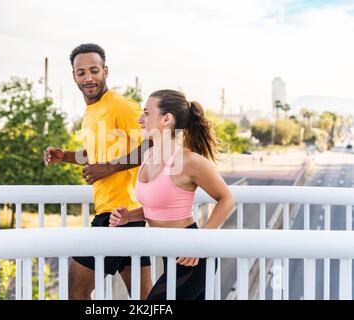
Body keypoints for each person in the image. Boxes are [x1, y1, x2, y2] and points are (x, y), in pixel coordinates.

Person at [43, 43, 152, 299]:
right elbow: (98, 156)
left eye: (94, 70)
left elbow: (153, 143)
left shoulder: (122, 106)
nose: (88, 78)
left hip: (119, 212)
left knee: (76, 288)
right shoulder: (90, 113)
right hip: (123, 216)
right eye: (81, 73)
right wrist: (66, 156)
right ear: (74, 76)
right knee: (144, 297)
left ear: (105, 70)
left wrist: (110, 167)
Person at [109, 89, 234, 300]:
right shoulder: (148, 155)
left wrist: (200, 243)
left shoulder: (189, 161)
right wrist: (129, 216)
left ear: (166, 119)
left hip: (192, 258)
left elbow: (227, 199)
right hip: (169, 256)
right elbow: (158, 208)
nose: (140, 120)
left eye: (147, 113)